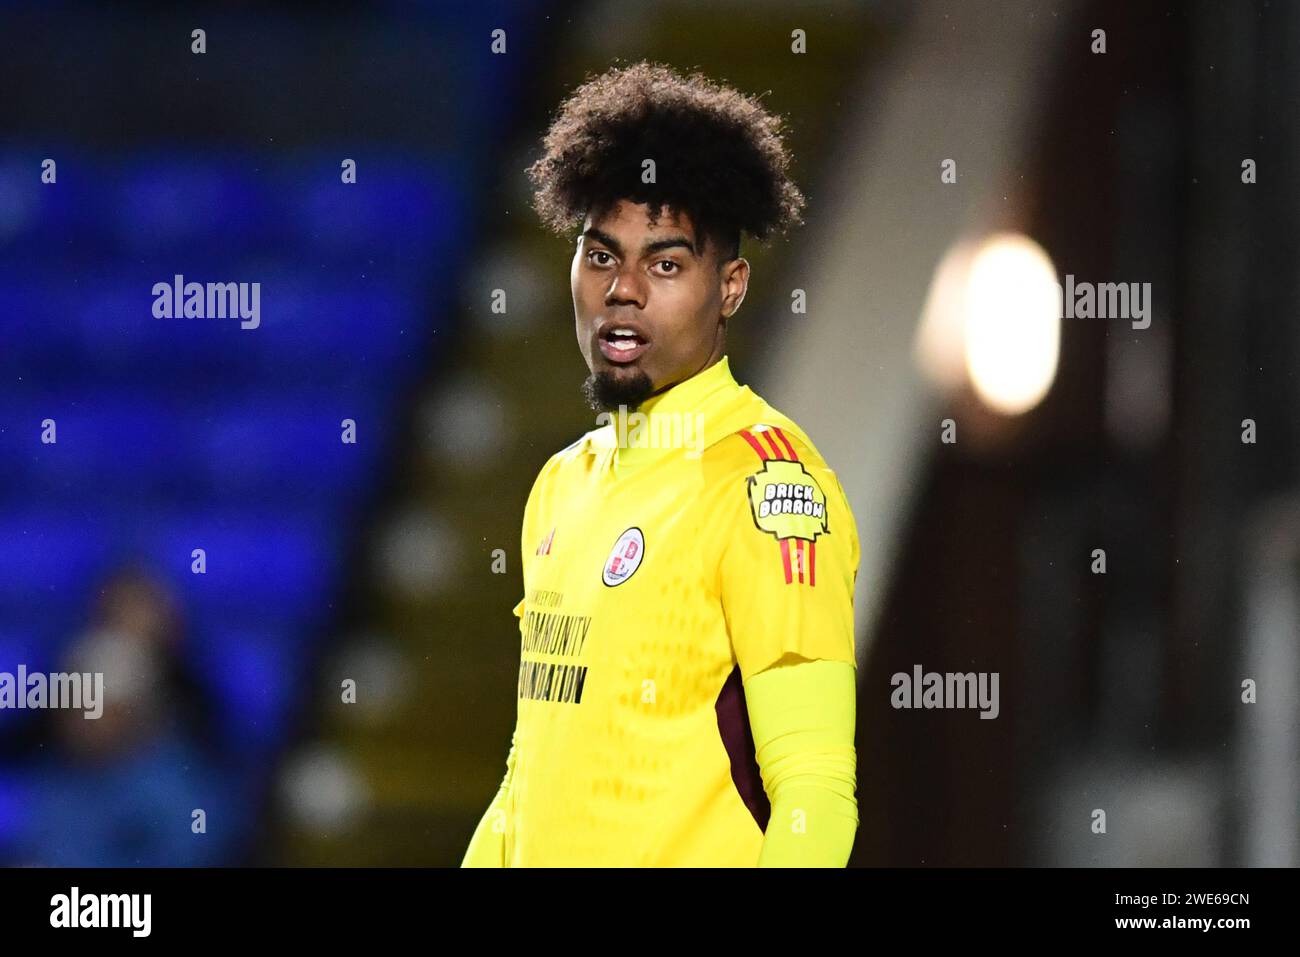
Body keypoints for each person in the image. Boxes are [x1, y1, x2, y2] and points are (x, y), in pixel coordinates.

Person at [463, 61, 859, 867]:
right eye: (601, 257)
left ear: (732, 287)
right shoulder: (562, 485)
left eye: (667, 264)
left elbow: (815, 789)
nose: (625, 290)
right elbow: (525, 777)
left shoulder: (766, 490)